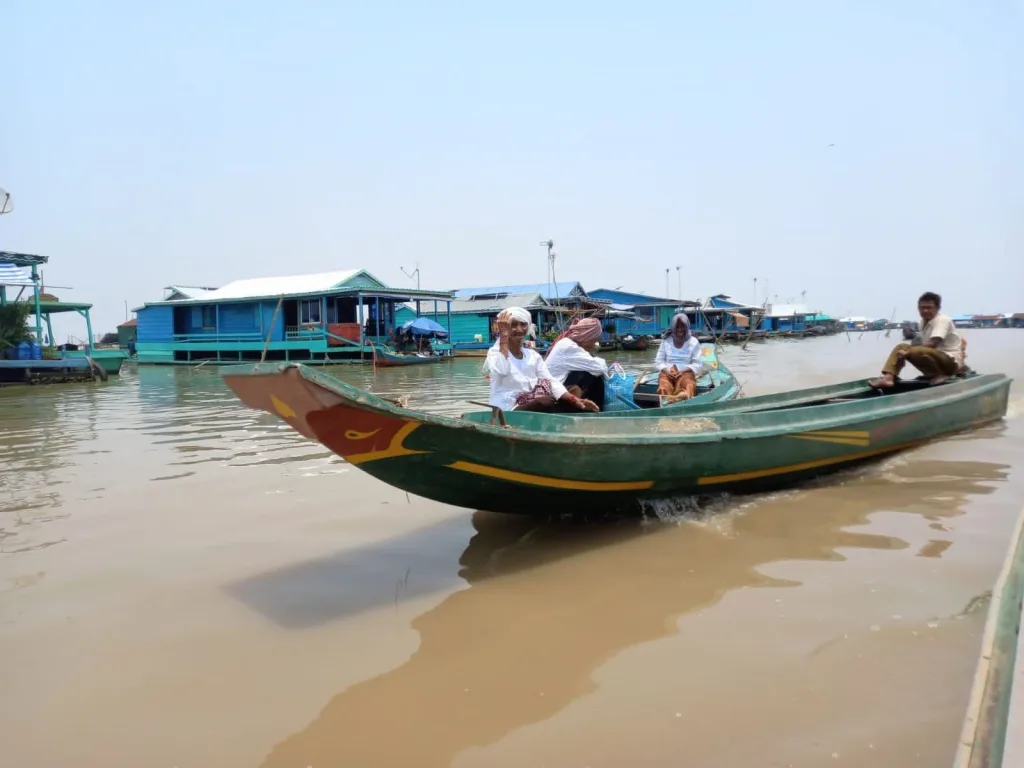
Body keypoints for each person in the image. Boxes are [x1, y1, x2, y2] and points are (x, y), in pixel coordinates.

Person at [485, 307, 599, 413]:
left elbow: (550, 380)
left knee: (574, 390)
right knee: (544, 402)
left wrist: (574, 399)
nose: (519, 329)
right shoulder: (495, 353)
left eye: (523, 324)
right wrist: (504, 336)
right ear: (505, 328)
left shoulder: (532, 355)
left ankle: (579, 407)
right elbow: (502, 370)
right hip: (508, 408)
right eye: (513, 325)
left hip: (531, 401)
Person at [870, 292, 964, 389]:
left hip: (951, 363)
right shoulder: (922, 322)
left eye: (929, 307)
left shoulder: (942, 320)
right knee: (901, 347)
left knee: (915, 350)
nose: (925, 310)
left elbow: (933, 343)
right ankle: (888, 377)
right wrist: (904, 353)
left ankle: (941, 374)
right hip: (936, 359)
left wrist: (908, 352)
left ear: (937, 308)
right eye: (922, 308)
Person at [544, 317, 609, 408]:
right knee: (594, 376)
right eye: (594, 340)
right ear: (588, 337)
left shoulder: (567, 343)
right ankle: (596, 410)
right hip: (553, 393)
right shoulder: (569, 347)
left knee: (590, 372)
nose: (595, 343)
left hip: (556, 388)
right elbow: (601, 368)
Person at [654, 313, 703, 401]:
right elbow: (659, 361)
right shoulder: (666, 340)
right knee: (663, 387)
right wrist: (667, 372)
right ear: (673, 327)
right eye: (677, 327)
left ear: (687, 326)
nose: (680, 329)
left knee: (688, 385)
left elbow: (697, 364)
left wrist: (682, 372)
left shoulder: (693, 341)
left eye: (682, 326)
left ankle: (682, 401)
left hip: (685, 373)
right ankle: (665, 404)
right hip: (668, 373)